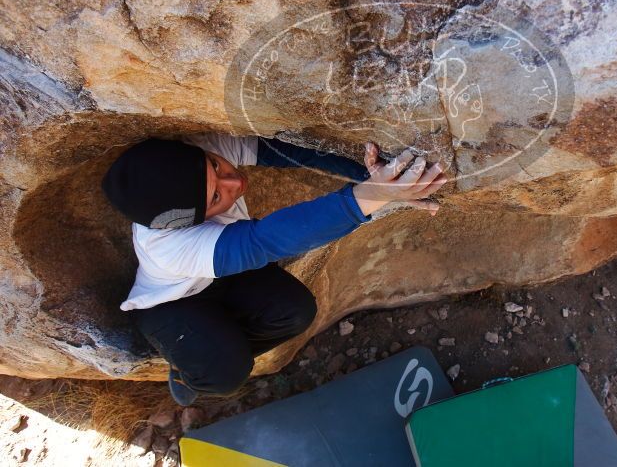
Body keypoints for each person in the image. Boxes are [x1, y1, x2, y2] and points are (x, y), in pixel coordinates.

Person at [101, 132, 445, 406]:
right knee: (225, 374)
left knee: (296, 312)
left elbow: (282, 151)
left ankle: (218, 340)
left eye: (217, 168)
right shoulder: (167, 246)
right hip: (171, 304)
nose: (233, 183)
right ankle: (191, 368)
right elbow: (265, 241)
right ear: (184, 222)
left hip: (222, 275)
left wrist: (375, 177)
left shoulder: (199, 154)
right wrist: (373, 194)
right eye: (217, 199)